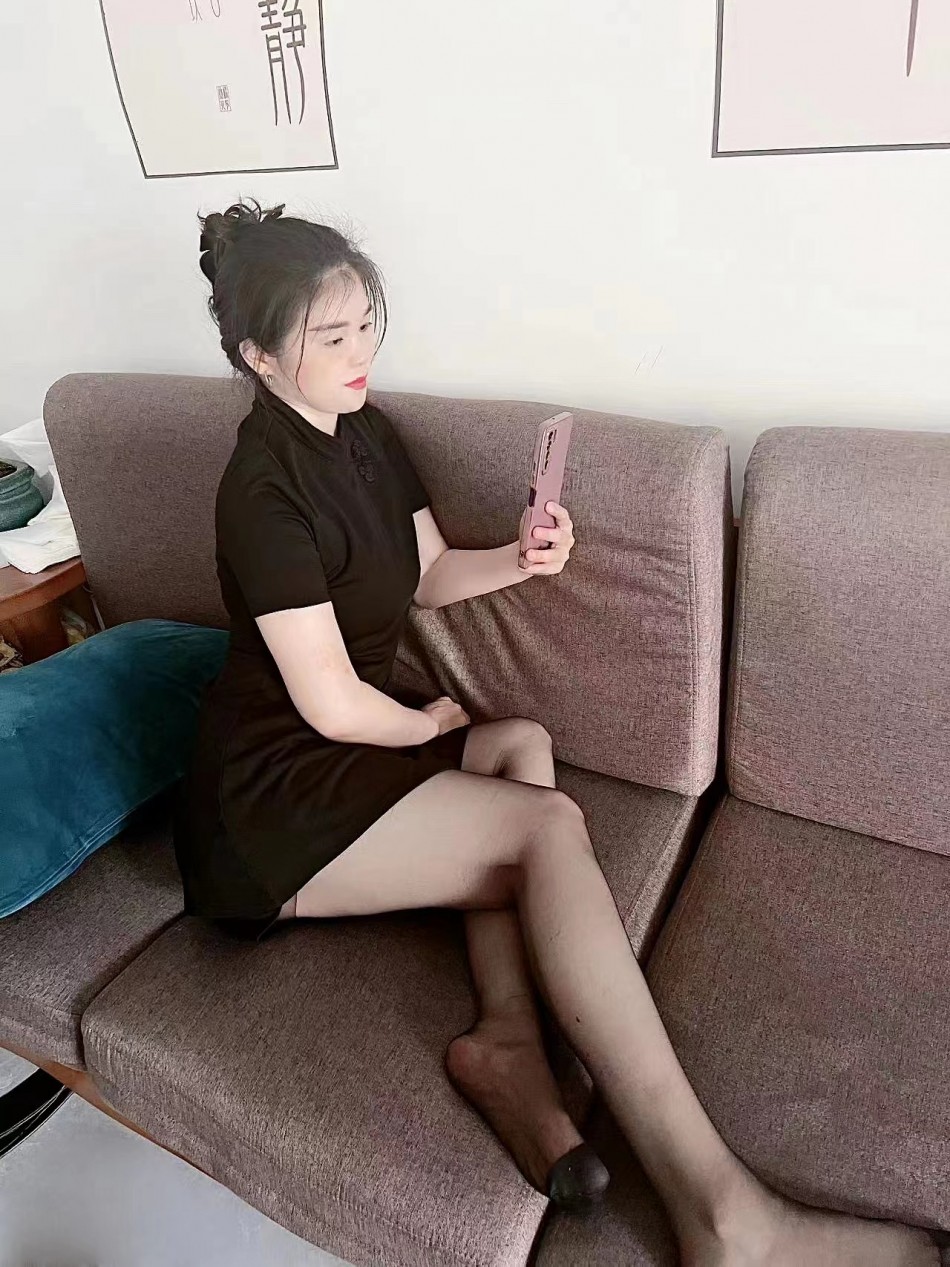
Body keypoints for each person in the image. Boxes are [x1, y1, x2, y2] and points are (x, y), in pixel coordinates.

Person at [175, 200, 937, 1266]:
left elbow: (431, 575)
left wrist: (522, 557)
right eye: (331, 336)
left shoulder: (366, 433)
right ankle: (725, 1214)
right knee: (543, 826)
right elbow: (333, 703)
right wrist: (424, 718)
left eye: (366, 323)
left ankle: (506, 1039)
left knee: (521, 744)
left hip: (342, 746)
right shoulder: (258, 490)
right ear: (259, 359)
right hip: (267, 795)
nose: (361, 352)